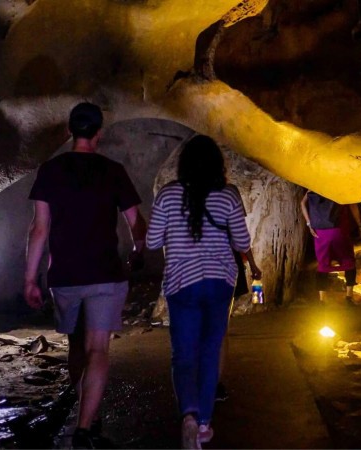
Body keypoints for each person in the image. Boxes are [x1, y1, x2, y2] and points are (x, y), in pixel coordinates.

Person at [24, 102, 147, 449]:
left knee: (76, 346)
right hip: (105, 273)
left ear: (69, 131)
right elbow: (135, 221)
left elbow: (39, 229)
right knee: (98, 349)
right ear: (98, 133)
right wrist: (138, 251)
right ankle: (85, 426)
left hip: (64, 275)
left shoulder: (50, 171)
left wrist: (30, 279)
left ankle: (87, 414)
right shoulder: (112, 171)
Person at [147, 135, 261, 449]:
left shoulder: (168, 195)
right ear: (217, 165)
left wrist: (177, 231)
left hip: (181, 283)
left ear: (183, 164)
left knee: (183, 355)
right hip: (219, 282)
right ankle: (204, 424)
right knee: (210, 351)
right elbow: (242, 242)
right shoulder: (227, 196)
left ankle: (188, 414)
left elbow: (153, 241)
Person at [300, 191, 361, 305]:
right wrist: (359, 225)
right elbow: (353, 205)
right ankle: (349, 297)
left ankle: (322, 300)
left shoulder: (313, 187)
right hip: (340, 229)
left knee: (323, 264)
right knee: (348, 261)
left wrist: (309, 224)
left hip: (320, 231)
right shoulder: (338, 186)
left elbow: (302, 203)